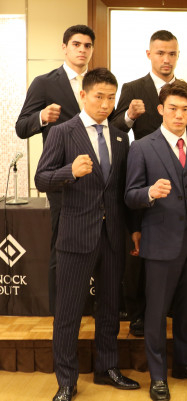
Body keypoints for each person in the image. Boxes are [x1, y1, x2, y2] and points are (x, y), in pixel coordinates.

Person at [34, 68, 140, 401]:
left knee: (109, 308)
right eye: (99, 97)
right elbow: (41, 178)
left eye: (111, 98)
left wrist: (133, 230)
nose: (105, 104)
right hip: (76, 235)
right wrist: (70, 171)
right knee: (68, 312)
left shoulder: (120, 137)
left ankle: (107, 368)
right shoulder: (62, 132)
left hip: (112, 235)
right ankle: (66, 380)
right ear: (83, 95)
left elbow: (121, 190)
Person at [124, 80, 187, 401]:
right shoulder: (142, 147)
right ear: (161, 109)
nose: (179, 115)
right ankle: (158, 375)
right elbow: (130, 195)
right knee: (156, 312)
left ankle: (186, 364)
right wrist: (149, 193)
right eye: (173, 108)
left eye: (185, 109)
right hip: (160, 241)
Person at [15, 24, 95, 315]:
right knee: (62, 246)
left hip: (96, 177)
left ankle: (89, 307)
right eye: (76, 44)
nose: (82, 50)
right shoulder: (44, 83)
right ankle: (59, 313)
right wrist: (41, 116)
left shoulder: (97, 82)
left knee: (96, 247)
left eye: (87, 45)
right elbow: (21, 127)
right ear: (64, 47)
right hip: (61, 177)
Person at [111, 29, 180, 338]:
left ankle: (174, 308)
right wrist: (129, 115)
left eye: (172, 53)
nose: (166, 59)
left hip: (177, 176)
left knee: (175, 245)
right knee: (140, 247)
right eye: (160, 53)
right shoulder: (134, 88)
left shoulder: (184, 89)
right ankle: (137, 313)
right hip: (141, 175)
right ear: (149, 54)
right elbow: (112, 128)